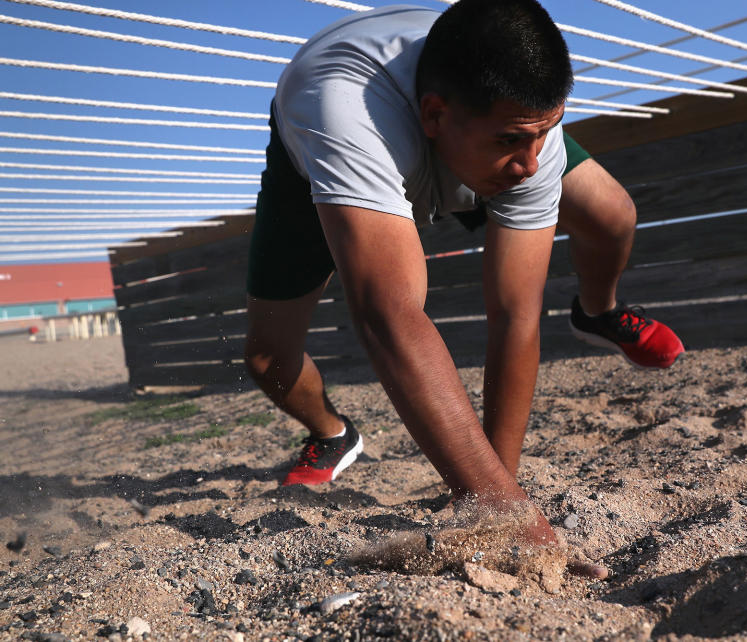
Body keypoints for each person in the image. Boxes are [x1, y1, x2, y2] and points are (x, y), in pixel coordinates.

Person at [244, 0, 683, 570]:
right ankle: (332, 434)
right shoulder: (342, 111)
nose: (530, 163)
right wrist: (503, 511)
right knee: (266, 358)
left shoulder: (526, 137)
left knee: (612, 213)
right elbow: (390, 316)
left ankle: (597, 312)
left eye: (545, 133)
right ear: (433, 116)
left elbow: (515, 315)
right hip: (322, 158)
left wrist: (493, 495)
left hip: (465, 135)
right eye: (512, 142)